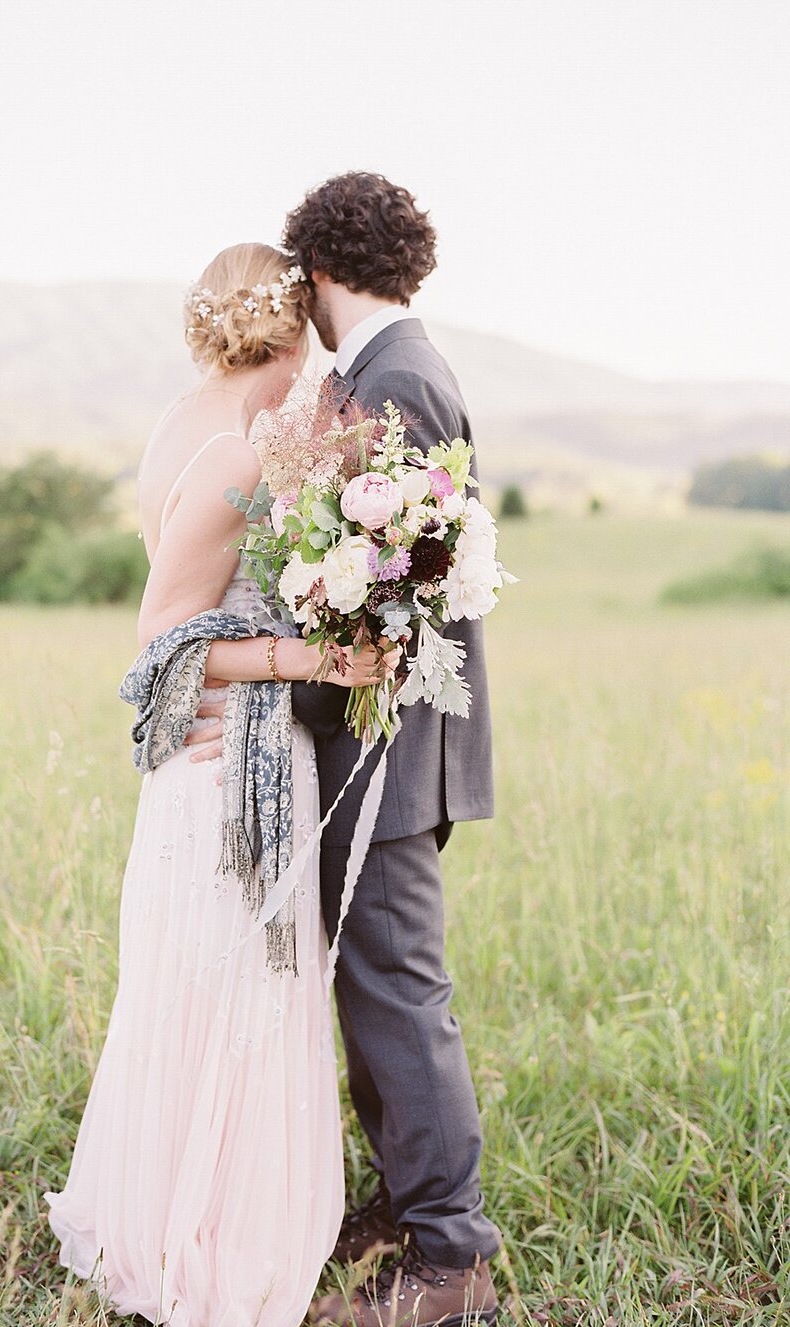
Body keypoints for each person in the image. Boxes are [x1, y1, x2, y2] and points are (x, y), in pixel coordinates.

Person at [44, 243, 386, 1327]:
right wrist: (311, 656)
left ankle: (164, 1207)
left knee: (193, 981)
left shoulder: (176, 420)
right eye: (309, 356)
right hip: (232, 759)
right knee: (238, 983)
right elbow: (162, 635)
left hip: (201, 767)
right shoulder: (239, 451)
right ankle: (214, 1233)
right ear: (286, 339)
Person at [285, 173, 503, 1327]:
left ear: (320, 268)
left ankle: (450, 1259)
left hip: (388, 744)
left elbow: (392, 581)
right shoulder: (383, 370)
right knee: (374, 993)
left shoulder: (397, 376)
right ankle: (408, 1210)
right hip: (380, 741)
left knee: (402, 993)